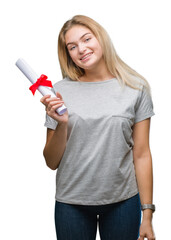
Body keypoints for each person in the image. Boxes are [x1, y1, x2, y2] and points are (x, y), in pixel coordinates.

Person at [40, 15, 156, 240]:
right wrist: (62, 124)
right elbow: (51, 161)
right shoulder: (58, 92)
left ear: (100, 38)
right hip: (71, 202)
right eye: (72, 47)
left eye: (86, 39)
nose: (81, 49)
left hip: (123, 202)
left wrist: (148, 214)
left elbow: (141, 154)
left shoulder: (136, 88)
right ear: (68, 55)